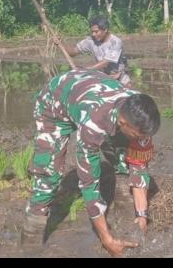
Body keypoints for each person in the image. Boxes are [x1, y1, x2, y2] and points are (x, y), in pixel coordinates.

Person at [23, 68, 160, 256]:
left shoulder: (139, 112)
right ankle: (30, 243)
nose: (141, 139)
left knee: (122, 160)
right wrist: (106, 238)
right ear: (122, 123)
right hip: (55, 103)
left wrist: (142, 215)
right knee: (48, 178)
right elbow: (89, 183)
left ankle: (126, 215)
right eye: (137, 136)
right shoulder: (95, 124)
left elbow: (139, 167)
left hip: (88, 93)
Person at [60, 16, 131, 85]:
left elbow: (105, 62)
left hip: (119, 77)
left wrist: (86, 70)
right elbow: (73, 52)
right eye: (92, 32)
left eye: (96, 32)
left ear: (105, 30)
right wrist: (60, 43)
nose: (93, 34)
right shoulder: (90, 40)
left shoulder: (115, 42)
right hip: (103, 77)